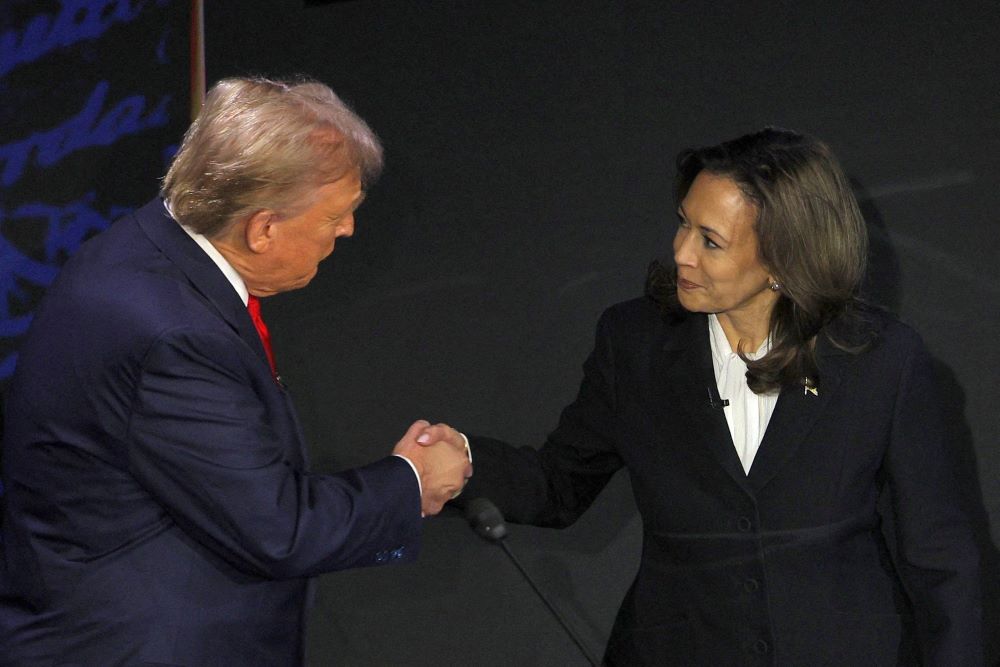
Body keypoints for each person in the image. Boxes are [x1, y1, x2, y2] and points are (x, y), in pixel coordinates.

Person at [456, 128, 983, 665]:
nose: (681, 252)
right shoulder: (634, 343)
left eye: (710, 240)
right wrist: (459, 461)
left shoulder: (880, 358)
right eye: (683, 223)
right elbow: (558, 485)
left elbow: (940, 556)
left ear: (783, 257)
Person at [0, 77, 472, 665]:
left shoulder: (142, 247)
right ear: (264, 227)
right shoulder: (176, 333)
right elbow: (278, 530)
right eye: (337, 216)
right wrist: (413, 482)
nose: (347, 231)